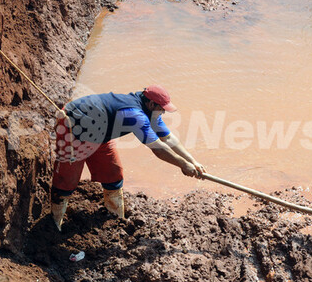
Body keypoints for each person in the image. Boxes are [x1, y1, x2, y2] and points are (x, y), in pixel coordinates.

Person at [50, 85, 205, 230]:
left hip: (99, 131)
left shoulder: (150, 111)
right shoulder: (134, 115)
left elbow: (168, 139)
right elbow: (157, 148)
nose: (163, 113)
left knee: (114, 176)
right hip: (74, 127)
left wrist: (192, 161)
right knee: (67, 181)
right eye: (161, 109)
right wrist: (182, 165)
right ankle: (54, 224)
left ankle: (116, 221)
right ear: (151, 104)